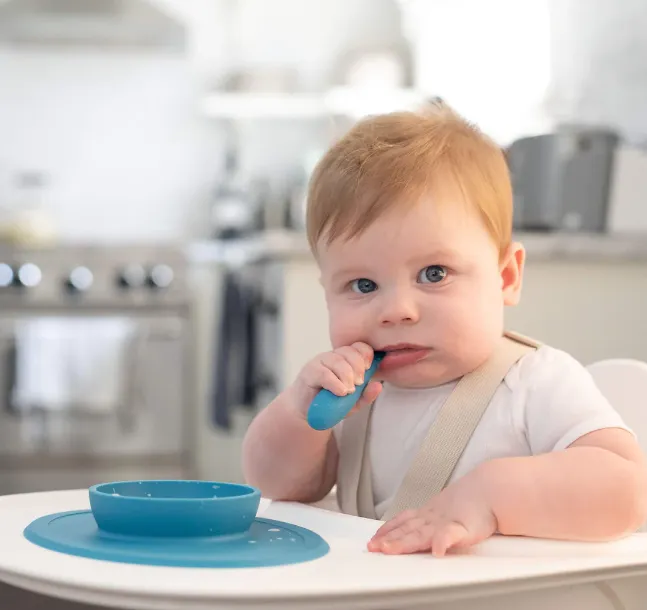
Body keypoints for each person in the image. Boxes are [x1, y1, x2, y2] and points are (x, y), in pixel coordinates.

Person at [241, 101, 647, 557]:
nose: (396, 311)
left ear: (506, 277)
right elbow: (277, 485)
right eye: (363, 284)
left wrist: (491, 496)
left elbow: (627, 492)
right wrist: (298, 415)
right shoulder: (353, 395)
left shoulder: (535, 382)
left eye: (434, 273)